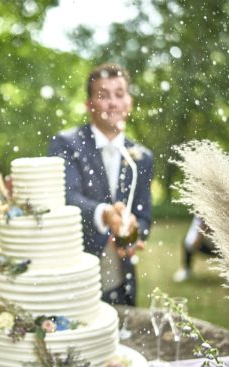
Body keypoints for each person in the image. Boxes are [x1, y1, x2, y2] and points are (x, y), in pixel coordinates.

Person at [48, 63, 153, 306]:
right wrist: (105, 214)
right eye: (103, 95)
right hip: (75, 268)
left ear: (129, 101)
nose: (113, 103)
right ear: (89, 104)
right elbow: (67, 197)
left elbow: (144, 214)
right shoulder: (67, 144)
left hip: (121, 274)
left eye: (119, 94)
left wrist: (136, 233)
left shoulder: (142, 156)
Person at [173, 216, 216, 282]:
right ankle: (186, 270)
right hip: (208, 245)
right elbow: (194, 241)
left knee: (189, 242)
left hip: (219, 247)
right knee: (187, 241)